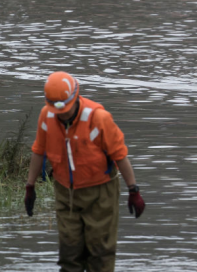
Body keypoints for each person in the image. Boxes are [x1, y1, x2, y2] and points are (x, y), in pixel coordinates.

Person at [24, 71, 145, 271]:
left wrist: (134, 190)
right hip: (65, 192)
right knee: (69, 255)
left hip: (100, 193)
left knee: (100, 255)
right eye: (56, 109)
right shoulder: (47, 116)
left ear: (75, 97)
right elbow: (38, 151)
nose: (61, 114)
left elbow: (120, 156)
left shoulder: (98, 118)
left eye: (65, 109)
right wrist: (30, 186)